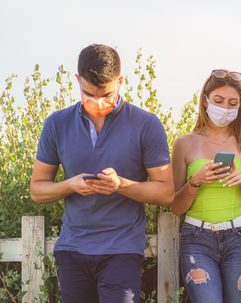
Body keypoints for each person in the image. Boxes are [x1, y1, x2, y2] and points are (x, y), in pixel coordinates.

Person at [30, 44, 174, 303]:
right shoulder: (56, 124)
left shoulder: (147, 125)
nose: (97, 102)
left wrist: (120, 185)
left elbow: (165, 192)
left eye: (106, 94)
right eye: (88, 94)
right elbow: (37, 190)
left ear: (120, 81)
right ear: (77, 80)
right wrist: (70, 185)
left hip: (122, 250)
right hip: (72, 250)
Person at [170, 69, 241, 303]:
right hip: (197, 239)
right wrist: (195, 181)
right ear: (205, 101)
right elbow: (176, 208)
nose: (225, 108)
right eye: (219, 101)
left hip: (240, 238)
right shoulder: (184, 143)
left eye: (233, 103)